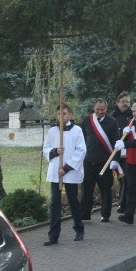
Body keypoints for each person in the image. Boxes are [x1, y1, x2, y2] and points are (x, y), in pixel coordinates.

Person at [42, 103, 87, 245]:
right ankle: (53, 235)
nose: (62, 117)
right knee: (55, 204)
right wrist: (55, 151)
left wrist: (67, 168)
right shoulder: (53, 131)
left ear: (70, 115)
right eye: (59, 114)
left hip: (70, 172)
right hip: (56, 172)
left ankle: (79, 229)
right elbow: (46, 148)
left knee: (73, 201)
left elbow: (81, 151)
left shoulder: (77, 131)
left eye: (65, 114)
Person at [79, 98, 120, 223]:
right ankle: (85, 214)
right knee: (86, 189)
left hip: (105, 163)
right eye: (98, 109)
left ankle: (105, 215)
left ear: (106, 109)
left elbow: (116, 143)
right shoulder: (86, 121)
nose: (100, 111)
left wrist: (115, 160)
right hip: (88, 162)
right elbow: (82, 140)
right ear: (94, 108)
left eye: (102, 110)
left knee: (106, 190)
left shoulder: (112, 122)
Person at [111, 92, 132, 214]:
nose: (125, 104)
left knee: (127, 179)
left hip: (129, 153)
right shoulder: (113, 116)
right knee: (121, 179)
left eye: (127, 102)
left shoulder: (133, 115)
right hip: (116, 153)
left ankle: (123, 203)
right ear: (117, 102)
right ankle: (124, 202)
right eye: (123, 101)